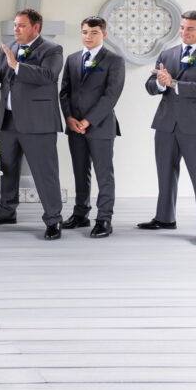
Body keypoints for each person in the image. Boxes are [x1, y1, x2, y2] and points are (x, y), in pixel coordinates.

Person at [0, 8, 64, 240]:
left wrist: (17, 66)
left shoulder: (52, 50)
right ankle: (6, 211)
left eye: (22, 25)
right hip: (9, 120)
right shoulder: (9, 48)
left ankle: (53, 220)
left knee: (45, 173)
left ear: (36, 28)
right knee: (8, 169)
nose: (16, 29)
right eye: (15, 25)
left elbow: (48, 76)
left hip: (39, 123)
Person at [141, 10, 196, 245]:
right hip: (166, 123)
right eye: (182, 27)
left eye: (190, 28)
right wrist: (160, 84)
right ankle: (165, 218)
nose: (184, 32)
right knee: (165, 174)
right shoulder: (168, 53)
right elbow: (150, 85)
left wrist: (174, 83)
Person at [58, 16, 125, 238]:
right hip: (74, 126)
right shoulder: (73, 58)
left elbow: (111, 95)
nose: (88, 36)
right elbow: (64, 91)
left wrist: (88, 121)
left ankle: (104, 218)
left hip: (100, 126)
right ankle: (80, 214)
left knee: (104, 174)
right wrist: (69, 118)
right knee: (80, 171)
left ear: (103, 34)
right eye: (85, 32)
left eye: (94, 32)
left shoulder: (114, 60)